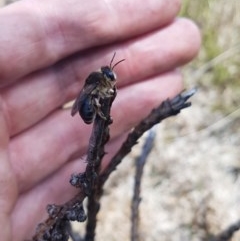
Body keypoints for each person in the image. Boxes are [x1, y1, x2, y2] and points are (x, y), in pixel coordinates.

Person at [0, 0, 201, 240]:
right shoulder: (97, 83)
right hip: (88, 108)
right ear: (103, 77)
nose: (112, 78)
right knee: (95, 104)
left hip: (90, 108)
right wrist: (100, 113)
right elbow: (89, 98)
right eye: (110, 76)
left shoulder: (102, 82)